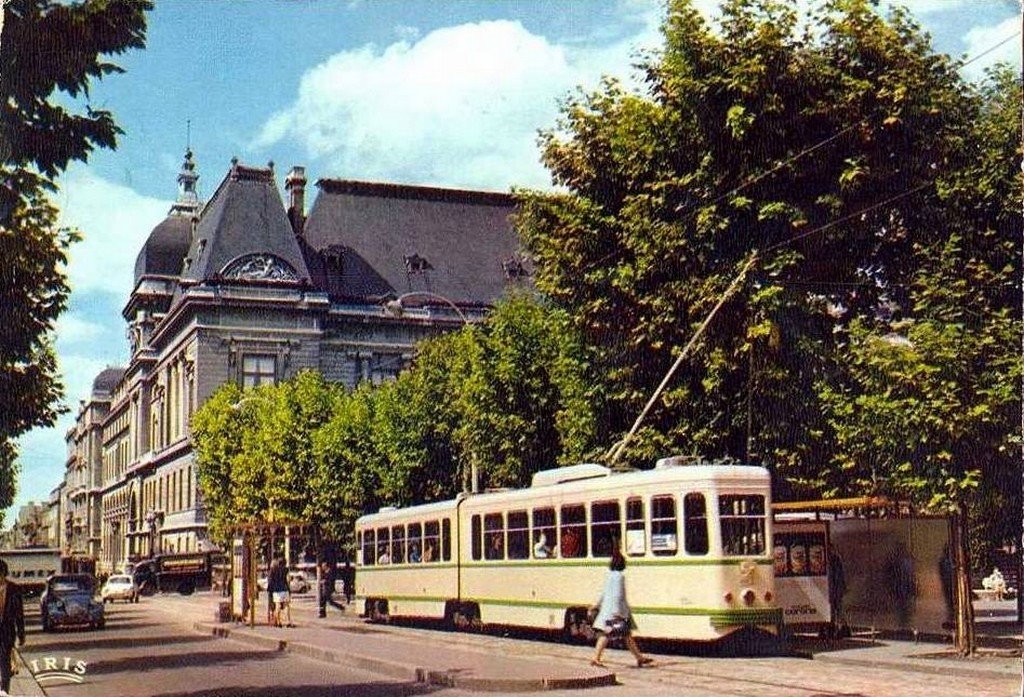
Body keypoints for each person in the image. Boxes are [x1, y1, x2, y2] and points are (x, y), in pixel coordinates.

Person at [590, 549, 651, 668]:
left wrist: (596, 605)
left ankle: (639, 658)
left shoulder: (610, 575)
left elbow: (604, 593)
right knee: (607, 635)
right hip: (615, 611)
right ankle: (595, 658)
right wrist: (619, 613)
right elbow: (619, 595)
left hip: (609, 610)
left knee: (625, 635)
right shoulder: (620, 577)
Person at [0, 559, 25, 696]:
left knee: (4, 662)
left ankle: (4, 691)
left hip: (7, 632)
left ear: (4, 574)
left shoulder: (14, 589)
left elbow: (19, 614)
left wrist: (21, 634)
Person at [268, 557, 292, 628]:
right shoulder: (286, 570)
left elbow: (271, 581)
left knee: (277, 606)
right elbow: (288, 579)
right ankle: (288, 621)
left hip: (277, 590)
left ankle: (278, 622)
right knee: (286, 606)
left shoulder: (273, 570)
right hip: (285, 589)